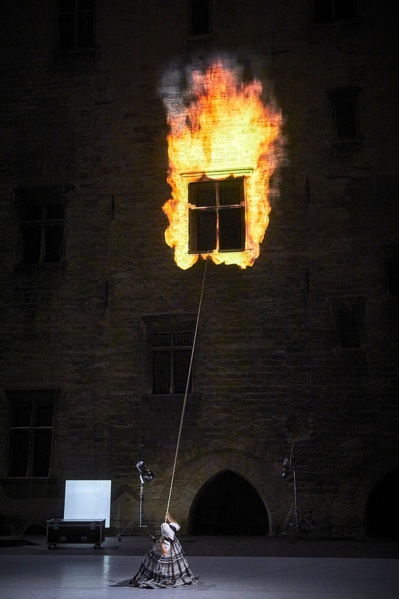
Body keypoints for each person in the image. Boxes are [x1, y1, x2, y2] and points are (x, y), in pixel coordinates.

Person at [129, 513, 199, 588]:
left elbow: (165, 553)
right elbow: (176, 524)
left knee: (161, 563)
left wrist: (162, 542)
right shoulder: (172, 529)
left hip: (168, 552)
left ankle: (165, 578)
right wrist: (169, 517)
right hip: (171, 543)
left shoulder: (167, 542)